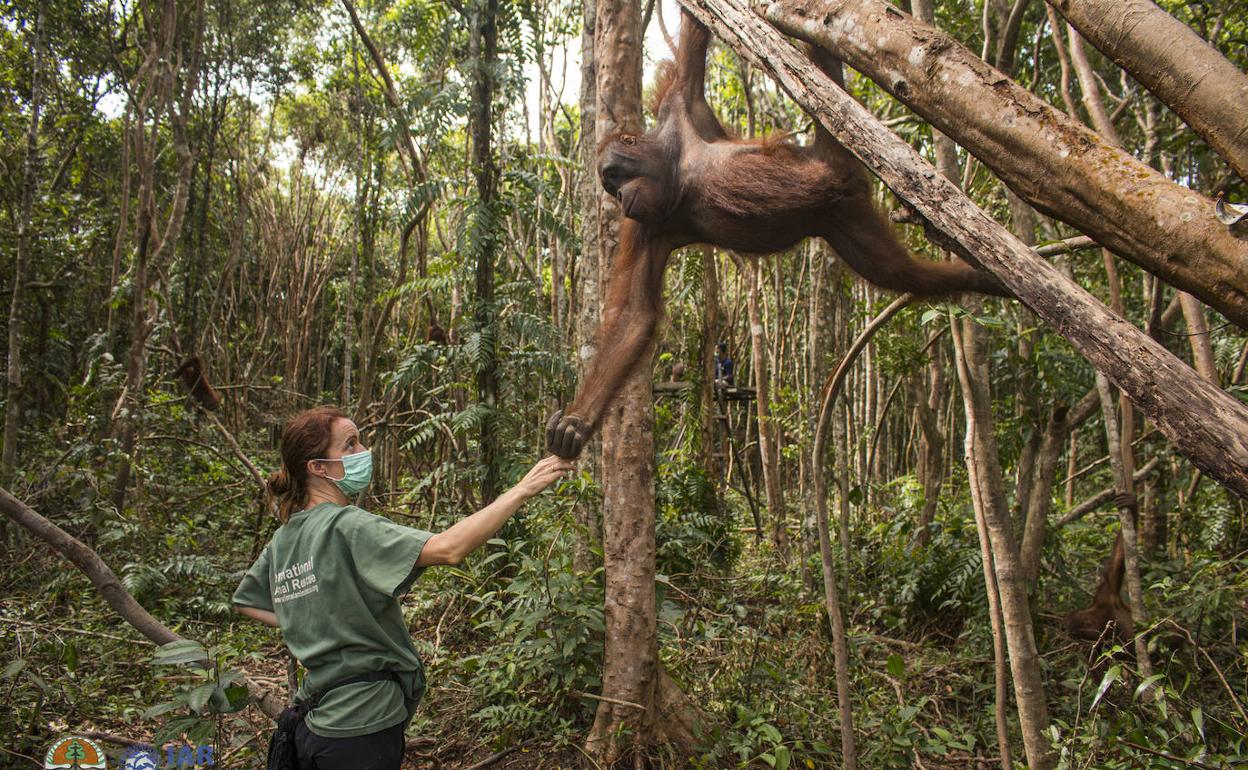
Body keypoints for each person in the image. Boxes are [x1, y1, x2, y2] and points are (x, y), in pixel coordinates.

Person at [232, 406, 574, 770]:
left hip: (313, 725)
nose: (364, 451)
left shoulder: (284, 539)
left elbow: (246, 602)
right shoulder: (347, 525)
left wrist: (309, 619)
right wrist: (522, 489)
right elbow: (448, 548)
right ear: (318, 467)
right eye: (350, 445)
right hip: (361, 723)